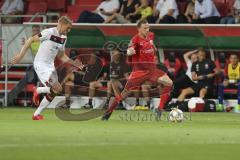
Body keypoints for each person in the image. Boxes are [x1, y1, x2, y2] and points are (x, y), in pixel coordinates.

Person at [12, 16, 84, 120]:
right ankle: (38, 91)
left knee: (57, 90)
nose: (69, 30)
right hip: (40, 64)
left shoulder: (64, 38)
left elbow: (61, 56)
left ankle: (36, 113)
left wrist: (74, 63)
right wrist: (20, 55)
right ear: (61, 24)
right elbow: (31, 40)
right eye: (67, 28)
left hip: (50, 66)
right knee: (57, 88)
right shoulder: (49, 32)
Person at [101, 19, 173, 120]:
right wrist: (130, 51)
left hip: (152, 70)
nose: (147, 30)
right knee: (124, 94)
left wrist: (153, 48)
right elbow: (130, 49)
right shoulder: (135, 40)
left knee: (168, 83)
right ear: (138, 29)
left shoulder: (151, 35)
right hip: (139, 72)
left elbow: (154, 48)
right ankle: (108, 113)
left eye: (148, 27)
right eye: (145, 28)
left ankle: (159, 109)